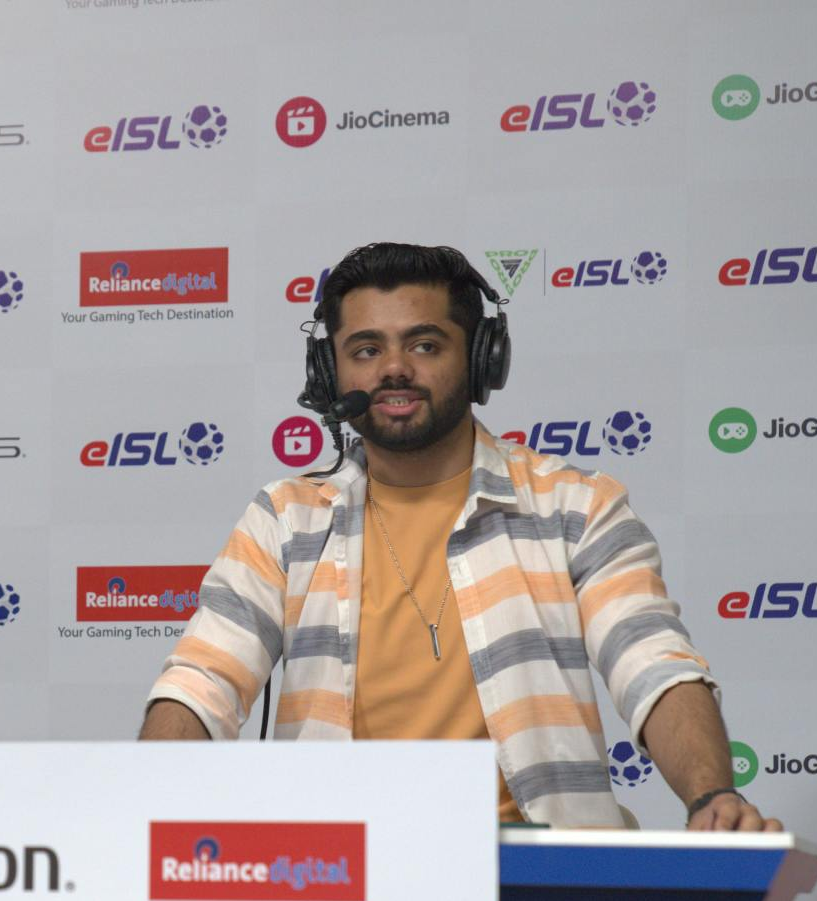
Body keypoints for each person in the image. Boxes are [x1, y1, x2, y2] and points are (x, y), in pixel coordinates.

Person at [139, 242, 778, 832]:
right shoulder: (285, 519)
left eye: (424, 345)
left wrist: (710, 796)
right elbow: (203, 680)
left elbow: (650, 661)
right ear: (330, 374)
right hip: (341, 875)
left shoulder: (576, 506)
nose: (394, 369)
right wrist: (138, 806)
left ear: (480, 360)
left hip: (537, 874)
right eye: (365, 350)